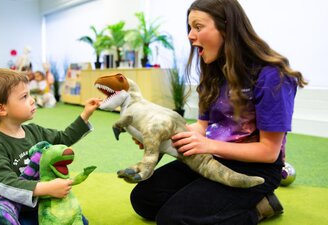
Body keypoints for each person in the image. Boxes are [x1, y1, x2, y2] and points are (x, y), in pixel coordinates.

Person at [129, 0, 307, 224]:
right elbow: (202, 127)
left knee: (172, 219)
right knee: (144, 199)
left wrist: (209, 146)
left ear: (226, 27)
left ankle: (259, 208)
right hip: (210, 159)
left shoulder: (272, 76)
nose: (191, 35)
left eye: (198, 27)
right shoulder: (214, 72)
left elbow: (269, 152)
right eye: (190, 28)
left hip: (256, 169)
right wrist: (162, 135)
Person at [0, 68, 102, 225]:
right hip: (9, 209)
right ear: (1, 108)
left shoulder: (34, 131)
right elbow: (5, 183)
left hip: (41, 204)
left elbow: (63, 138)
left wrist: (85, 115)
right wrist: (47, 188)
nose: (32, 100)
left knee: (80, 221)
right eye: (24, 97)